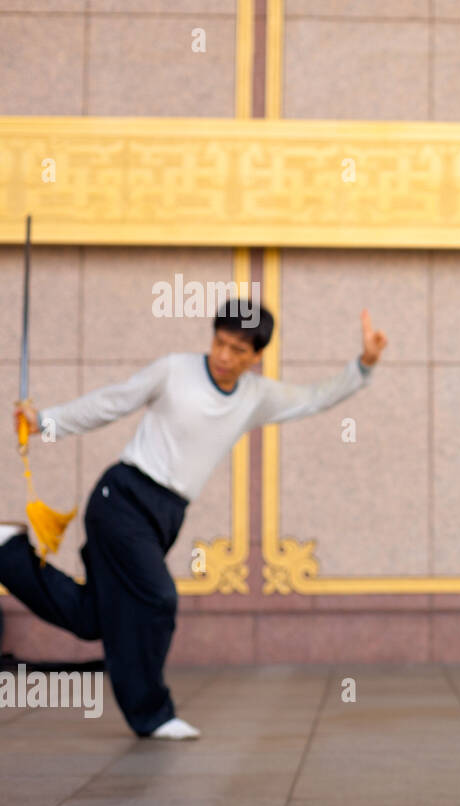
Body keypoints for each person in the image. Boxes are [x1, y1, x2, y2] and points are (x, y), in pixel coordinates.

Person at [0, 300, 388, 739]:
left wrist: (363, 366)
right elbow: (110, 403)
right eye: (220, 343)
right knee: (158, 598)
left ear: (256, 356)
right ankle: (154, 714)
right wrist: (45, 421)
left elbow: (314, 398)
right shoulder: (173, 370)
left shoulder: (256, 397)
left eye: (238, 350)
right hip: (121, 499)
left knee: (94, 618)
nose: (224, 356)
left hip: (165, 515)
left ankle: (9, 552)